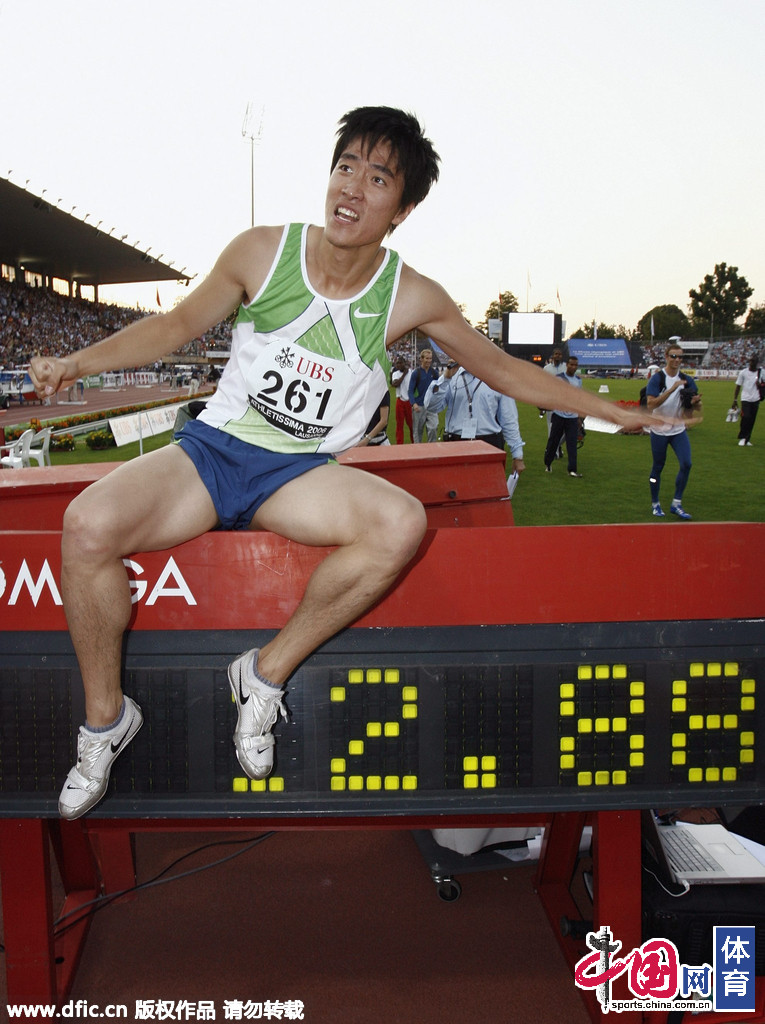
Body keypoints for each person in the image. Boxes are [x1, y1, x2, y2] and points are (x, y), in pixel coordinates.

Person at [29, 105, 670, 820]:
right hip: (211, 452)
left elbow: (500, 369)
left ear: (403, 207)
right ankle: (106, 720)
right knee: (85, 526)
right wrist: (76, 364)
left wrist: (606, 410)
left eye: (377, 178)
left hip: (298, 472)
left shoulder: (410, 295)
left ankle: (264, 674)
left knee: (398, 523)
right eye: (345, 167)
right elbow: (177, 325)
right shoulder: (261, 251)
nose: (353, 189)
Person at [423, 360, 525, 475]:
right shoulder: (453, 375)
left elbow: (509, 419)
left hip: (489, 444)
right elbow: (431, 406)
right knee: (455, 490)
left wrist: (518, 455)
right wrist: (445, 378)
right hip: (456, 444)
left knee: (488, 490)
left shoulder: (498, 378)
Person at [645, 342, 701, 519]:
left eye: (680, 357)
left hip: (677, 429)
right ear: (667, 357)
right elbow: (650, 404)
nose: (677, 360)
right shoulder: (658, 379)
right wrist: (672, 389)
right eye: (674, 356)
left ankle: (677, 503)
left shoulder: (687, 379)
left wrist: (695, 402)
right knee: (658, 468)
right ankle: (655, 503)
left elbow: (693, 408)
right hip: (659, 429)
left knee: (687, 463)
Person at [543, 356, 584, 477]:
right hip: (559, 414)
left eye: (575, 365)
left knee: (572, 443)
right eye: (571, 365)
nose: (573, 367)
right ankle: (548, 463)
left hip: (572, 417)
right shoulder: (559, 378)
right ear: (567, 365)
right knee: (553, 441)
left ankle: (572, 469)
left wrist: (579, 417)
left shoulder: (578, 380)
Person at [731, 353, 762, 447]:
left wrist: (760, 385)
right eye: (751, 361)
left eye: (754, 361)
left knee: (752, 420)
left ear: (757, 363)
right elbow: (738, 387)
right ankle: (742, 437)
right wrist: (735, 400)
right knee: (746, 417)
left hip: (756, 399)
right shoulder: (743, 372)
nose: (752, 363)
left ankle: (747, 439)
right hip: (745, 399)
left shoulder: (761, 372)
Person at [408, 346, 438, 442]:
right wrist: (414, 403)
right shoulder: (416, 373)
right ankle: (418, 452)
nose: (429, 361)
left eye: (430, 358)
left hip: (431, 406)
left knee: (433, 428)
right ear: (421, 359)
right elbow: (410, 390)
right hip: (419, 406)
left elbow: (438, 389)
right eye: (426, 358)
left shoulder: (434, 373)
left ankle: (432, 449)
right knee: (417, 431)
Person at [390, 354, 413, 444]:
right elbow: (395, 384)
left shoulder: (411, 372)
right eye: (397, 364)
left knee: (411, 425)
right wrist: (404, 374)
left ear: (404, 363)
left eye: (400, 363)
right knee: (399, 425)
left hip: (409, 401)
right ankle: (400, 444)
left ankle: (414, 442)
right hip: (400, 401)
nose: (398, 365)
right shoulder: (396, 374)